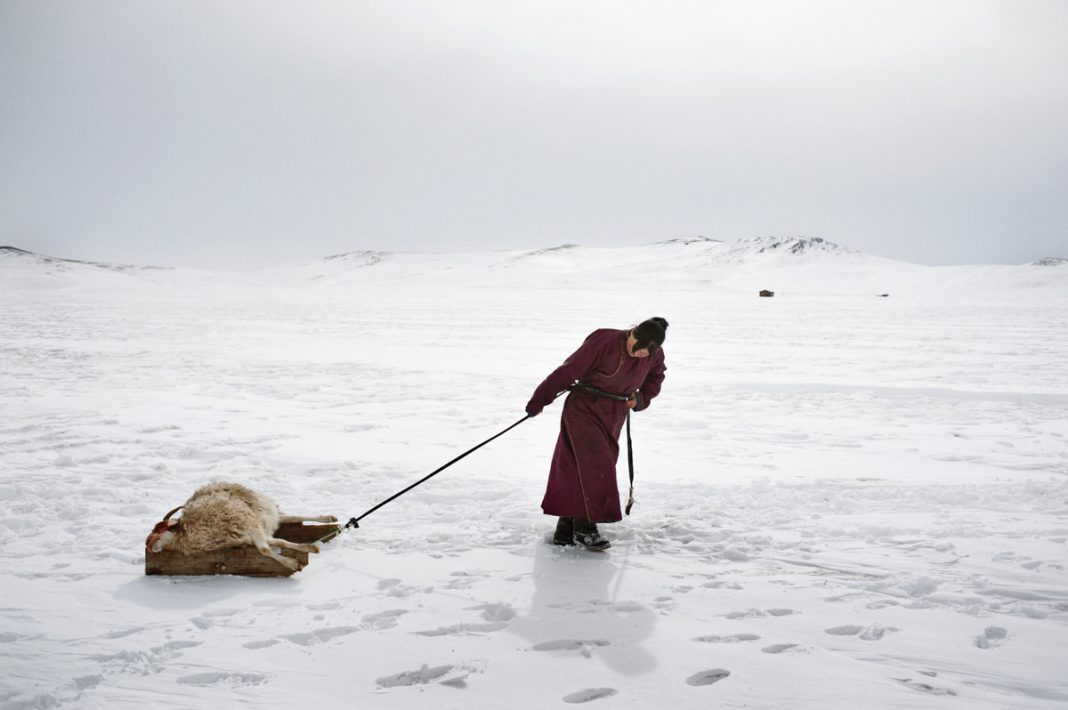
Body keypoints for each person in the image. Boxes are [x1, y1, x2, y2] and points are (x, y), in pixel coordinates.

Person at [525, 317, 668, 550]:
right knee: (596, 466)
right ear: (633, 334)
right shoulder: (604, 340)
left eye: (646, 354)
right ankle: (585, 527)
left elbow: (656, 376)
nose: (640, 355)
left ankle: (566, 527)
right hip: (584, 408)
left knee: (578, 467)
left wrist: (641, 398)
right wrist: (539, 400)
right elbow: (568, 371)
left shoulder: (654, 354)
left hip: (615, 413)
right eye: (637, 349)